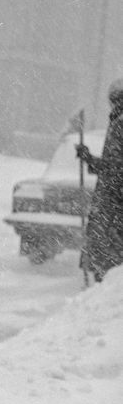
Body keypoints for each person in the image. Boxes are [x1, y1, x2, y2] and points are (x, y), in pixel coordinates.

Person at [77, 79, 123, 282]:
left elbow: (115, 168)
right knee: (105, 257)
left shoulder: (120, 124)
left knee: (108, 261)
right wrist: (89, 158)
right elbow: (113, 166)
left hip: (113, 206)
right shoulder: (117, 122)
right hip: (110, 204)